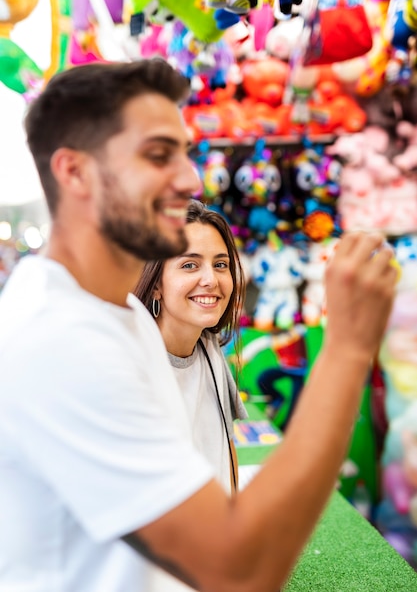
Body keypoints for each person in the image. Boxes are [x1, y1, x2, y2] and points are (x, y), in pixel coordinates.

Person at [0, 58, 398, 592]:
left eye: (185, 154)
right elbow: (240, 569)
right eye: (158, 155)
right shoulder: (59, 339)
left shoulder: (115, 317)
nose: (190, 178)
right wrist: (348, 346)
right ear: (75, 173)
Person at [134, 198, 248, 497]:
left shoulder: (209, 348)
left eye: (221, 265)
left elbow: (227, 447)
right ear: (155, 282)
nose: (211, 279)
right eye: (189, 265)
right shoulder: (132, 363)